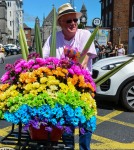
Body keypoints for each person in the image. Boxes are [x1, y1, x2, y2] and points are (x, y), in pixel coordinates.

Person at [43, 3, 97, 150]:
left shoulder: (84, 34)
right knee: (66, 121)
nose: (73, 23)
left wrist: (73, 66)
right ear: (60, 22)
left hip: (83, 84)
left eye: (75, 20)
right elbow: (45, 59)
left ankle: (85, 148)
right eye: (69, 21)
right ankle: (69, 148)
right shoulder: (53, 38)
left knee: (85, 120)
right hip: (62, 87)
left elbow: (85, 59)